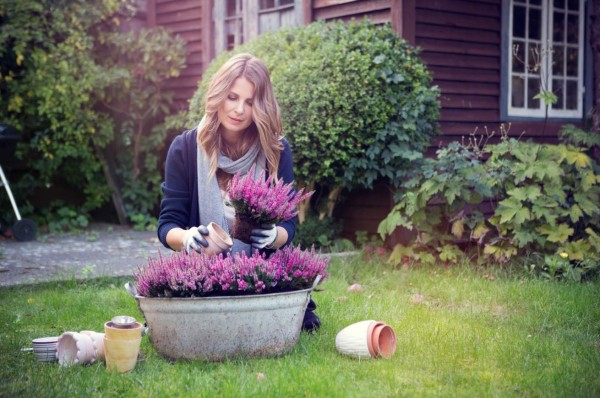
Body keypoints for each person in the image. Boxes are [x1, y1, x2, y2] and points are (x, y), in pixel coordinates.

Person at [157, 53, 320, 332]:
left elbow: (289, 224)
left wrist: (273, 238)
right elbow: (167, 224)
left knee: (293, 322)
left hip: (262, 272)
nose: (239, 110)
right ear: (218, 94)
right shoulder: (184, 149)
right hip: (204, 270)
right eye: (232, 97)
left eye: (250, 102)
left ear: (261, 106)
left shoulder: (276, 151)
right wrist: (187, 237)